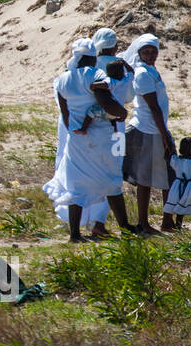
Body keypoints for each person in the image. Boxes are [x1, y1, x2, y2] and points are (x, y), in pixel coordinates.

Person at [53, 38, 135, 242]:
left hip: (77, 140)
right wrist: (122, 113)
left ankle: (75, 234)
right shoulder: (95, 74)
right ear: (91, 57)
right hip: (101, 137)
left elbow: (65, 114)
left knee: (77, 185)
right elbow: (105, 101)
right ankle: (124, 226)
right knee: (112, 179)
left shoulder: (62, 79)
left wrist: (76, 131)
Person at [122, 33, 173, 231]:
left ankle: (166, 221)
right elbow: (154, 108)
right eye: (146, 52)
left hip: (155, 129)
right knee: (145, 180)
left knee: (165, 176)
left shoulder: (150, 70)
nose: (151, 55)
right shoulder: (143, 74)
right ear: (140, 53)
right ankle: (144, 223)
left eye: (153, 52)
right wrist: (164, 135)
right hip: (148, 130)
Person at [162, 137, 191, 231]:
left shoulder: (177, 161)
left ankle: (178, 227)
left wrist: (168, 148)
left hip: (177, 187)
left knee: (180, 207)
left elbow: (167, 158)